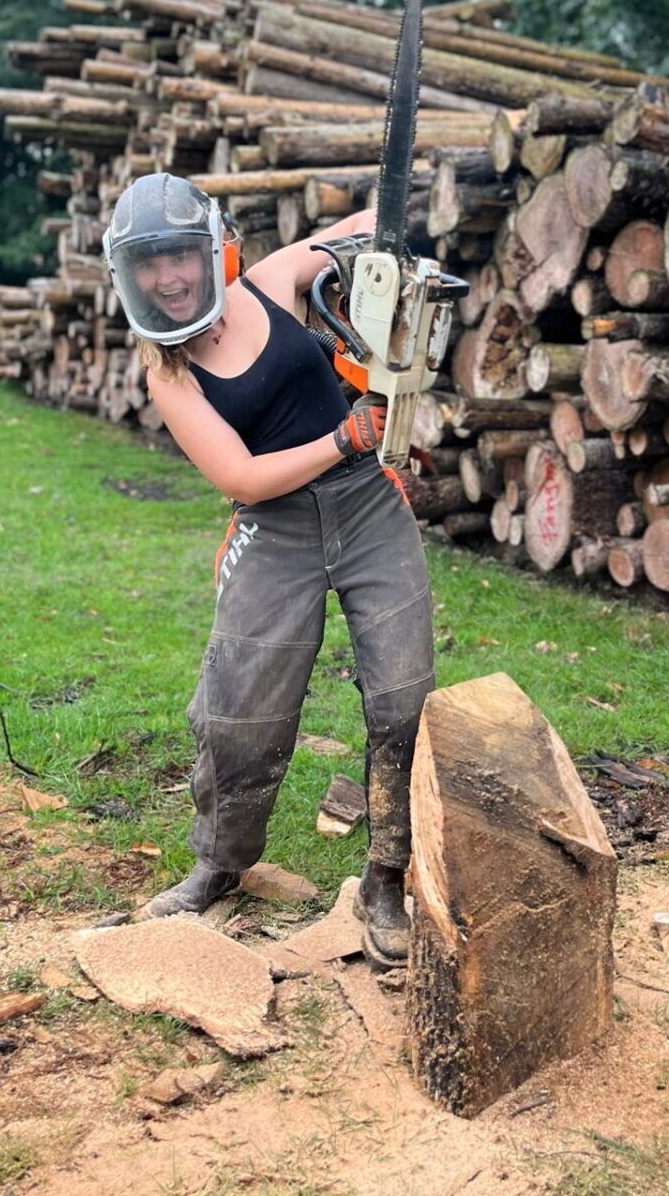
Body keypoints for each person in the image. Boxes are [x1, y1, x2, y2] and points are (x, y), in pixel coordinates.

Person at [102, 171, 434, 966]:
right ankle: (220, 859)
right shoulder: (169, 371)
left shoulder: (270, 281)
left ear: (213, 249)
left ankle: (388, 873)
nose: (170, 278)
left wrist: (390, 234)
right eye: (150, 265)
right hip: (275, 524)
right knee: (237, 709)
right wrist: (346, 437)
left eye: (180, 256)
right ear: (129, 275)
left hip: (366, 507)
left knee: (402, 693)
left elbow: (359, 233)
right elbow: (241, 480)